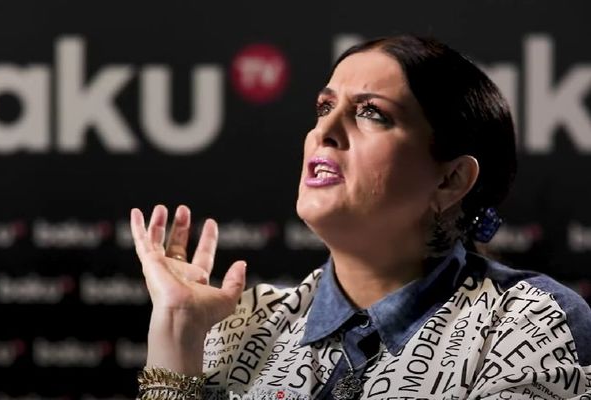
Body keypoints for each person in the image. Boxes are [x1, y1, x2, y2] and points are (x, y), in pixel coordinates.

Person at [130, 35, 591, 399]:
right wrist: (177, 332)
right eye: (324, 107)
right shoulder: (239, 326)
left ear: (450, 180)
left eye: (371, 113)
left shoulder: (530, 322)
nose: (324, 132)